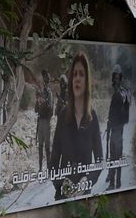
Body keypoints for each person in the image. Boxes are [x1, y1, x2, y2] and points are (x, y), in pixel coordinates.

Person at [49, 53, 103, 200]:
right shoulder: (63, 115)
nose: (77, 78)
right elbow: (53, 160)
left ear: (87, 81)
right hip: (62, 197)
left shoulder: (93, 118)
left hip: (84, 197)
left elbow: (99, 160)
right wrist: (61, 184)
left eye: (81, 74)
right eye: (74, 74)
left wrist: (87, 181)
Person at [105, 64, 131, 189]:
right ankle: (114, 179)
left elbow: (117, 114)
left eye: (116, 78)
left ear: (119, 78)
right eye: (114, 77)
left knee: (115, 156)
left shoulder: (119, 94)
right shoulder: (124, 92)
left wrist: (111, 123)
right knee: (115, 155)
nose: (115, 80)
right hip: (117, 129)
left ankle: (113, 183)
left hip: (116, 129)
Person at [35, 70, 55, 171]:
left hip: (46, 121)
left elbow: (50, 108)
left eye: (46, 78)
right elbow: (36, 109)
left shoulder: (49, 93)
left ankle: (48, 168)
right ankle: (40, 168)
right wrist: (38, 101)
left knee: (46, 147)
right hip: (40, 121)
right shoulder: (41, 92)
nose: (45, 80)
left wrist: (43, 103)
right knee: (40, 146)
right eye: (44, 78)